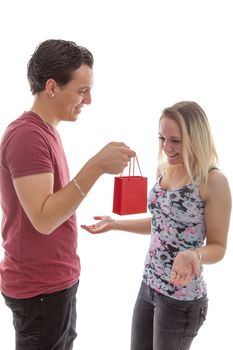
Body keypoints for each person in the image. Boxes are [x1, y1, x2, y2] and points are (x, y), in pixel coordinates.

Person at [0, 39, 135, 350]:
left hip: (54, 285)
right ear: (51, 87)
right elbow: (44, 218)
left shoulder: (45, 132)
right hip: (40, 291)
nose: (88, 100)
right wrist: (96, 166)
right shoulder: (26, 136)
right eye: (81, 90)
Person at [82, 101, 232, 350]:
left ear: (197, 138)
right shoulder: (165, 169)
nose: (166, 147)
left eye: (175, 140)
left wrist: (191, 254)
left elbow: (218, 247)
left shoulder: (213, 181)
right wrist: (116, 224)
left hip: (181, 299)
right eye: (162, 137)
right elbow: (163, 224)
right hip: (149, 286)